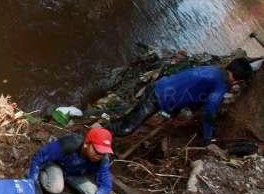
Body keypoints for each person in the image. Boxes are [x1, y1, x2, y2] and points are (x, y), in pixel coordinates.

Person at [107, 58, 254, 145]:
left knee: (131, 118)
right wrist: (208, 136)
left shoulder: (213, 69)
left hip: (160, 87)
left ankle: (108, 129)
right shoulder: (221, 83)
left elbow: (192, 88)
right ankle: (100, 136)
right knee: (128, 128)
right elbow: (210, 111)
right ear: (237, 79)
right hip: (158, 96)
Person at [27, 128, 114, 194]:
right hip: (56, 166)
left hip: (74, 174)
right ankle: (44, 181)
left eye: (103, 153)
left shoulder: (103, 160)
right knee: (56, 186)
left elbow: (106, 186)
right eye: (97, 151)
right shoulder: (69, 144)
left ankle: (69, 192)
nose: (99, 156)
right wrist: (32, 184)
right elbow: (39, 158)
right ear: (86, 144)